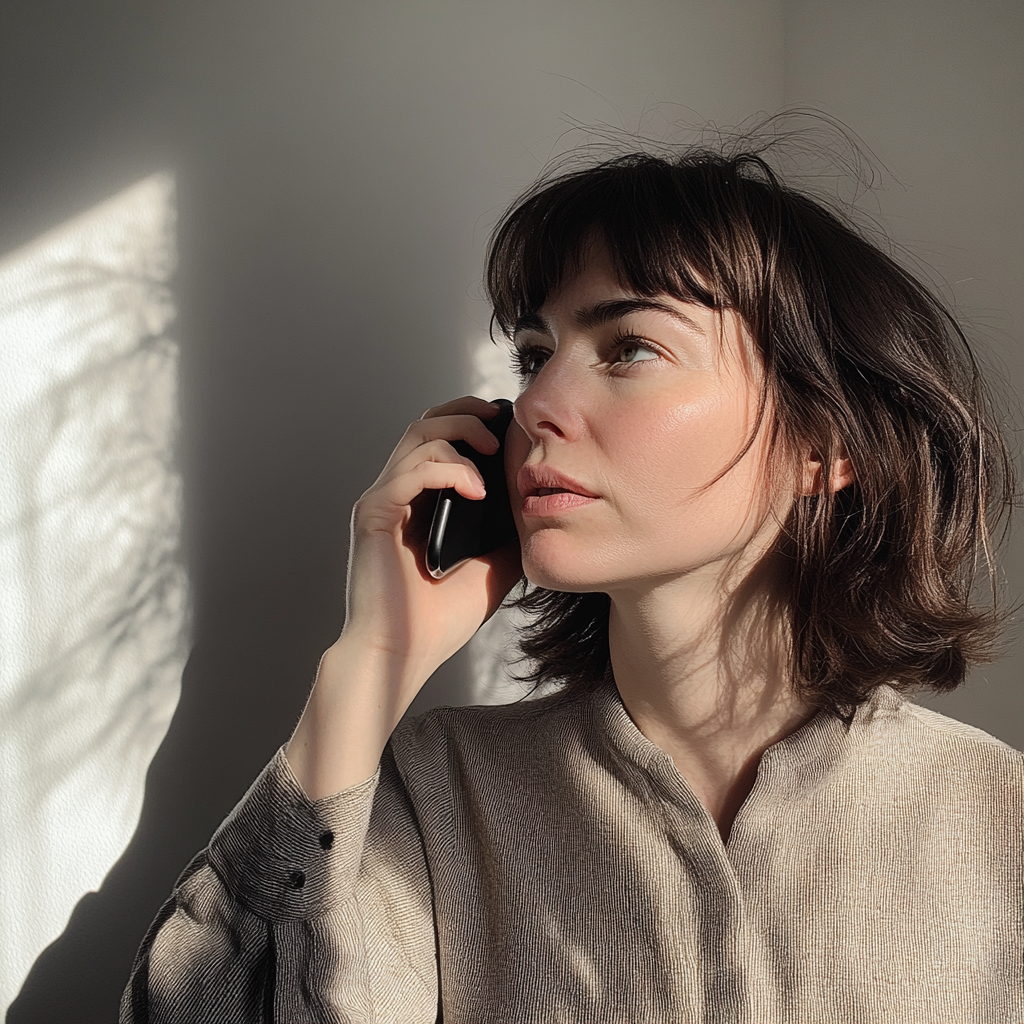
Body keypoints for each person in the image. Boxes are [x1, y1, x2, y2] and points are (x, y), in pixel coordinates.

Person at [121, 142, 1022, 1023]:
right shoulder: (435, 797)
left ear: (826, 446)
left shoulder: (998, 823)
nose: (540, 403)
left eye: (629, 347)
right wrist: (372, 661)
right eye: (533, 354)